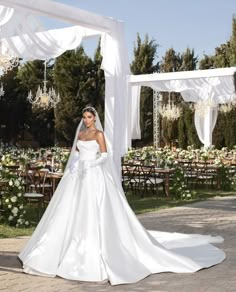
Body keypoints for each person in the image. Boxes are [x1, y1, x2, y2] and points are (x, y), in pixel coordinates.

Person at [18, 106, 226, 286]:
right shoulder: (80, 135)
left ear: (94, 118)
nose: (86, 120)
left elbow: (105, 157)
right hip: (78, 177)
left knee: (95, 210)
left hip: (94, 175)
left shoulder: (99, 134)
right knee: (68, 210)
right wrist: (75, 165)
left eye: (89, 117)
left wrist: (91, 164)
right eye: (84, 117)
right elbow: (76, 154)